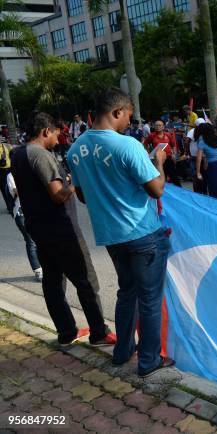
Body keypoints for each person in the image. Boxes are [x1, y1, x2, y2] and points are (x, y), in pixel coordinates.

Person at [67, 88, 173, 377]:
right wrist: (160, 164)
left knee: (127, 293)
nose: (129, 121)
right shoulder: (128, 146)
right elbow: (156, 189)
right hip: (142, 233)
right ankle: (149, 361)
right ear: (116, 112)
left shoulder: (75, 149)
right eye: (127, 115)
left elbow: (83, 197)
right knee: (149, 299)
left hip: (112, 237)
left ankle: (122, 352)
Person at [12, 111, 115, 347]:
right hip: (61, 228)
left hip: (38, 227)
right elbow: (58, 195)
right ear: (46, 131)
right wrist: (74, 181)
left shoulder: (18, 154)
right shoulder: (41, 155)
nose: (59, 138)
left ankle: (66, 331)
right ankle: (99, 332)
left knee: (53, 281)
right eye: (57, 133)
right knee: (86, 281)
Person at [6, 170, 42, 281]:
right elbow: (16, 191)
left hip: (36, 209)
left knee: (42, 239)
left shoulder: (31, 170)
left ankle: (48, 266)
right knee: (31, 241)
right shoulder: (11, 175)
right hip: (21, 212)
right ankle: (38, 270)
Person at [195, 123, 217, 200]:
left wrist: (198, 172)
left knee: (214, 188)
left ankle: (216, 208)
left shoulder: (202, 142)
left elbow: (198, 159)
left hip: (212, 166)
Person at [144, 120, 181, 187]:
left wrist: (174, 154)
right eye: (156, 125)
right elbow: (145, 144)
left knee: (174, 176)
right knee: (161, 177)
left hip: (168, 158)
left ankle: (181, 192)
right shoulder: (151, 136)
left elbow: (173, 146)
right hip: (158, 160)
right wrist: (149, 153)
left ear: (163, 127)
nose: (158, 127)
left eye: (159, 125)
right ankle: (162, 193)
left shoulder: (168, 135)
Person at [0, 140, 12, 213]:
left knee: (11, 188)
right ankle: (9, 207)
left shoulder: (7, 146)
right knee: (4, 190)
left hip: (9, 170)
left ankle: (13, 205)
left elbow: (13, 154)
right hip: (0, 171)